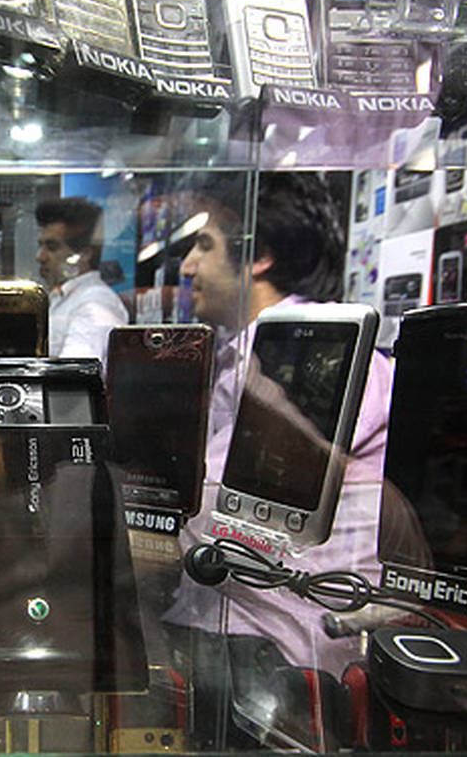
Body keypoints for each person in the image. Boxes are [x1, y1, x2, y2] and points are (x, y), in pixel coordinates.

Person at [162, 172, 395, 676]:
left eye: (204, 244)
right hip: (238, 634)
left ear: (259, 255)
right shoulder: (256, 356)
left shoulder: (316, 355)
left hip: (280, 657)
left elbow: (205, 511)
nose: (188, 265)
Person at [34, 196, 128, 366]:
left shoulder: (95, 302)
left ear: (84, 255)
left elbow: (76, 374)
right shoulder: (63, 298)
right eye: (40, 246)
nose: (40, 256)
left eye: (52, 247)